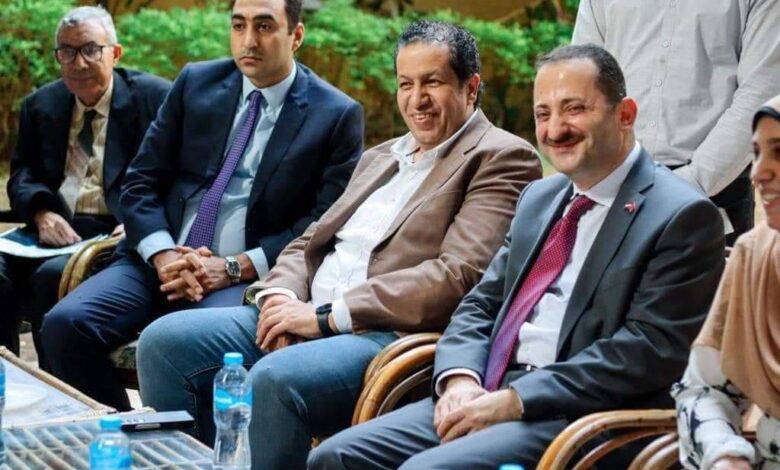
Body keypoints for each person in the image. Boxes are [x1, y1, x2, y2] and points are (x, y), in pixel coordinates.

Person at [136, 19, 542, 470]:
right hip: (303, 309)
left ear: (471, 87)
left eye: (433, 82)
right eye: (405, 84)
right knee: (164, 343)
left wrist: (325, 317)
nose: (417, 99)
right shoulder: (382, 156)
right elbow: (311, 239)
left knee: (274, 379)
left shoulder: (500, 157)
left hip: (379, 333)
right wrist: (279, 297)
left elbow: (455, 276)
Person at [308, 43, 727, 470]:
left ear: (625, 114)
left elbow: (647, 352)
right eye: (543, 114)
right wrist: (460, 378)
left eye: (574, 109)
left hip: (580, 417)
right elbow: (481, 304)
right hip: (486, 391)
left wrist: (516, 400)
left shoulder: (681, 215)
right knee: (335, 457)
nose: (556, 129)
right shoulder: (540, 198)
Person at [40, 0, 364, 411]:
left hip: (244, 278)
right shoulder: (197, 82)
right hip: (159, 262)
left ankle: (195, 442)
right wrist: (164, 255)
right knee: (65, 325)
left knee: (184, 344)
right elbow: (140, 181)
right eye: (239, 25)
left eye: (265, 26)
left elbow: (322, 223)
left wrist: (233, 268)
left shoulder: (335, 114)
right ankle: (126, 432)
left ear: (295, 36)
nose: (249, 40)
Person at [0, 6, 170, 361]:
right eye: (67, 52)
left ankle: (53, 383)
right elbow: (22, 174)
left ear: (115, 53)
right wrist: (41, 213)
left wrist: (141, 222)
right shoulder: (41, 104)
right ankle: (8, 377)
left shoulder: (155, 100)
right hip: (53, 229)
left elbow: (176, 175)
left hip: (114, 232)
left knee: (50, 278)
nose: (78, 64)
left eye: (91, 50)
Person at [571, 0, 780, 245]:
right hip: (611, 186)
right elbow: (582, 78)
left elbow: (760, 91)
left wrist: (690, 182)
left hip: (713, 190)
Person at [673, 96, 780, 470]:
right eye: (757, 154)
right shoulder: (757, 255)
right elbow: (702, 390)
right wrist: (725, 454)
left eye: (779, 153)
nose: (758, 174)